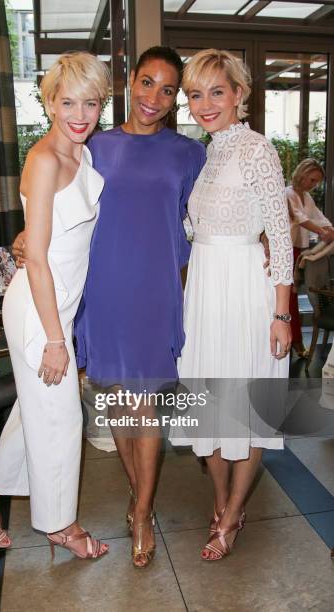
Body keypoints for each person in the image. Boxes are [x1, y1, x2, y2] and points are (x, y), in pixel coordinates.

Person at [14, 46, 207, 567]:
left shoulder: (189, 153)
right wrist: (25, 236)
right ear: (129, 82)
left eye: (168, 90)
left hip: (156, 291)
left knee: (144, 409)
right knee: (119, 405)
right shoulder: (94, 142)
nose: (155, 98)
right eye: (147, 83)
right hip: (103, 289)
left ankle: (142, 511)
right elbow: (56, 201)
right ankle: (135, 494)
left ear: (175, 99)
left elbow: (205, 219)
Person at [0, 52, 110, 559]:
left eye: (90, 102)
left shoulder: (82, 153)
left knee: (32, 415)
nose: (80, 113)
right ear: (49, 101)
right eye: (68, 101)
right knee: (61, 418)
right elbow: (40, 262)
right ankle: (59, 526)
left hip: (57, 307)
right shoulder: (45, 158)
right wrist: (54, 340)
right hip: (38, 312)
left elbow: (46, 232)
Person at [170, 49, 293, 561]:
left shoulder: (258, 150)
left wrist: (282, 312)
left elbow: (281, 236)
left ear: (239, 95)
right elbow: (195, 228)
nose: (204, 104)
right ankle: (223, 502)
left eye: (215, 92)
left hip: (245, 291)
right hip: (203, 292)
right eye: (195, 95)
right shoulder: (206, 152)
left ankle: (234, 508)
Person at [286, 159, 334, 358]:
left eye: (317, 182)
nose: (314, 185)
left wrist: (330, 229)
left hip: (300, 252)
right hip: (287, 251)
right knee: (288, 299)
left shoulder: (306, 197)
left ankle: (293, 341)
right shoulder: (288, 193)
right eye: (312, 180)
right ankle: (295, 341)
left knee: (293, 298)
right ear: (303, 174)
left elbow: (318, 216)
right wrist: (322, 232)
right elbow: (299, 218)